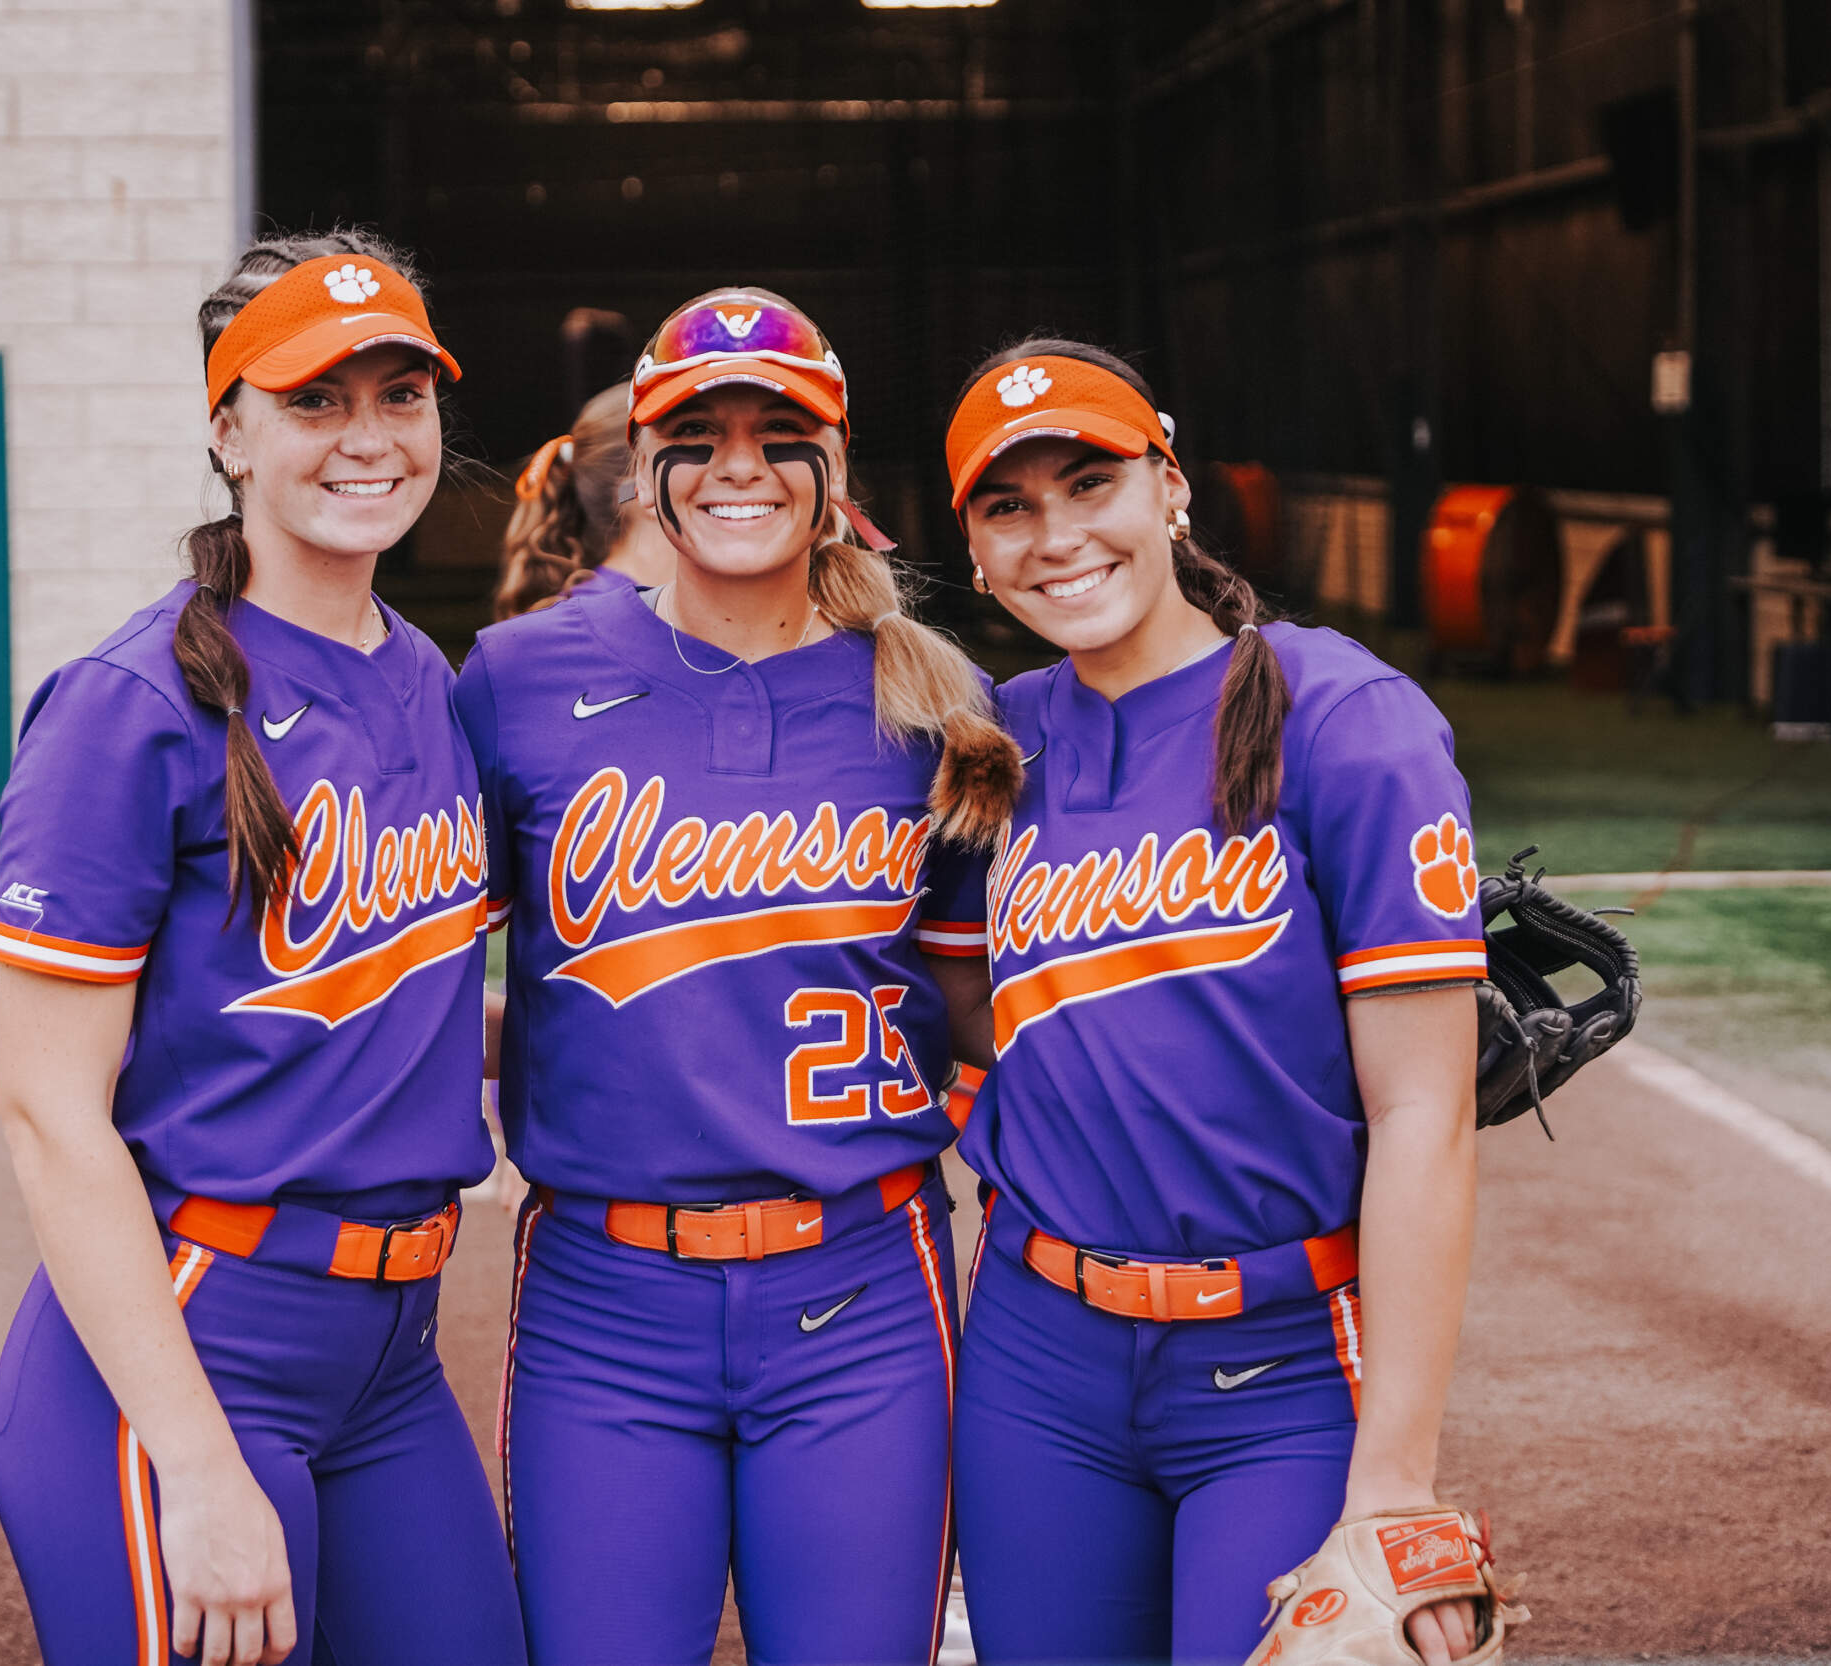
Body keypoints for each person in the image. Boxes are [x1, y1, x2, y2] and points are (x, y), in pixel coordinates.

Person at [455, 286, 1019, 1665]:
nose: (739, 467)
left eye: (780, 434)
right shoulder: (515, 679)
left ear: (836, 465)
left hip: (863, 1292)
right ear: (642, 465)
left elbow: (997, 1003)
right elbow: (404, 952)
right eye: (697, 436)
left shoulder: (935, 703)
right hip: (602, 1294)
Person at [0, 231, 523, 1666]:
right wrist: (199, 1465)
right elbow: (47, 1114)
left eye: (401, 395)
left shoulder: (426, 676)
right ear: (227, 431)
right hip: (194, 1344)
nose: (369, 437)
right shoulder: (129, 703)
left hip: (391, 1357)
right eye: (314, 400)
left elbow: (378, 1003)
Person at [939, 341, 1487, 1665]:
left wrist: (1395, 1481)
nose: (1056, 535)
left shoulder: (1344, 714)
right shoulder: (990, 742)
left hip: (1282, 1364)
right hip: (1035, 1364)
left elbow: (1426, 1114)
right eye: (1010, 505)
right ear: (976, 553)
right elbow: (952, 1008)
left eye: (1090, 482)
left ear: (1170, 486)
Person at [491, 381, 677, 618]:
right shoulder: (601, 618)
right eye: (692, 436)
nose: (721, 470)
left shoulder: (641, 608)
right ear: (642, 487)